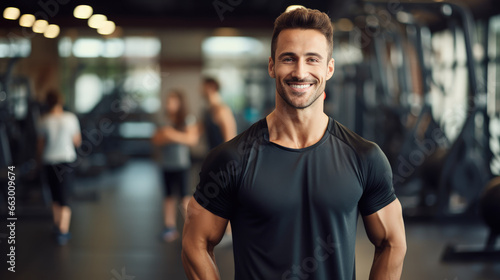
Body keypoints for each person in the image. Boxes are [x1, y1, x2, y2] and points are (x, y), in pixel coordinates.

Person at [182, 7, 406, 280]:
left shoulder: (364, 157)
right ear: (272, 66)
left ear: (329, 68)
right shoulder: (231, 159)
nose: (300, 72)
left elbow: (392, 243)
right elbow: (196, 243)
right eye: (289, 59)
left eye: (312, 60)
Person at [152, 89, 199, 242]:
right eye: (168, 101)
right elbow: (156, 139)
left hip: (181, 164)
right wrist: (168, 135)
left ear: (180, 103)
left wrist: (170, 135)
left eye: (172, 101)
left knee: (184, 198)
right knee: (168, 197)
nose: (169, 104)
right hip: (166, 165)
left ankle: (192, 231)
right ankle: (169, 228)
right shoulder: (163, 121)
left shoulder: (188, 120)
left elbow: (192, 139)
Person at [38, 89, 81, 246]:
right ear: (60, 101)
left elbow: (40, 145)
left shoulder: (43, 120)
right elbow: (77, 141)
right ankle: (63, 230)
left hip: (49, 160)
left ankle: (58, 225)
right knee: (64, 195)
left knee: (55, 194)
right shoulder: (70, 118)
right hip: (66, 160)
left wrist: (38, 160)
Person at [200, 77, 237, 149]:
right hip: (212, 155)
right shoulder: (208, 111)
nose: (200, 90)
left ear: (211, 87)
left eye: (202, 87)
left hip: (222, 157)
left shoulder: (222, 110)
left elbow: (230, 139)